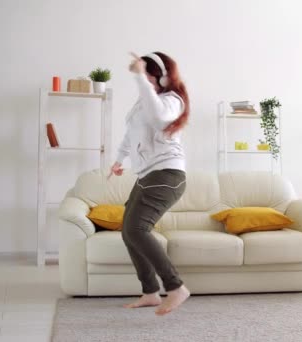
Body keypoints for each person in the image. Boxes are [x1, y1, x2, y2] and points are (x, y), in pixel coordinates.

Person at [109, 51, 190, 316]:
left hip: (166, 175)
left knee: (137, 229)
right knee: (128, 230)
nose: (143, 80)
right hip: (148, 175)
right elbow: (131, 132)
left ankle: (176, 287)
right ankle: (150, 292)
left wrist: (140, 78)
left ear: (163, 77)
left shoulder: (172, 100)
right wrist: (120, 159)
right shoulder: (147, 100)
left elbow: (158, 119)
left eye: (148, 75)